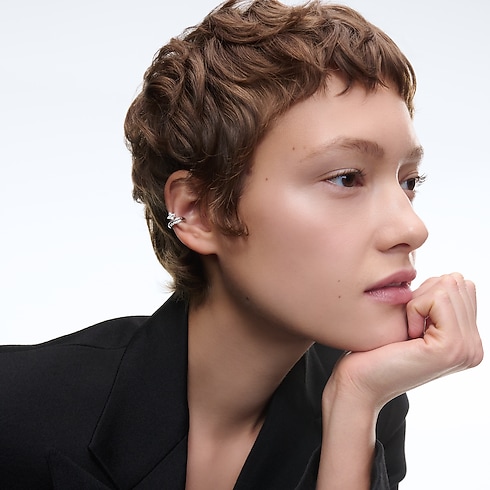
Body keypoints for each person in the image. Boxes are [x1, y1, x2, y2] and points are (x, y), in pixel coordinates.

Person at [0, 0, 483, 488]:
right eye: (345, 177)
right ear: (198, 211)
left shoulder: (374, 404)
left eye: (408, 181)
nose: (412, 228)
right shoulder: (16, 407)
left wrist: (355, 403)